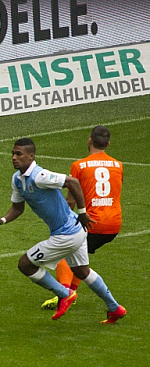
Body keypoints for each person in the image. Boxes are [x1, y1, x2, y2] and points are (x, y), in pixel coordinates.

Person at [0, 138, 126, 323]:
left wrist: (83, 212)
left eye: (19, 154)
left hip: (67, 234)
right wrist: (3, 220)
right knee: (81, 270)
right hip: (74, 231)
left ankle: (64, 293)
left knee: (25, 264)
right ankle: (115, 308)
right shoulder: (17, 179)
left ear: (31, 156)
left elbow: (73, 182)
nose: (14, 157)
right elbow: (18, 208)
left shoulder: (40, 176)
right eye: (13, 154)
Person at [41, 126, 124, 310]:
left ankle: (64, 294)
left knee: (63, 249)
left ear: (89, 140)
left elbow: (71, 199)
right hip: (114, 224)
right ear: (108, 144)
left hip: (92, 222)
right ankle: (72, 291)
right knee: (80, 256)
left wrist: (60, 222)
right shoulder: (118, 165)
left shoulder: (79, 166)